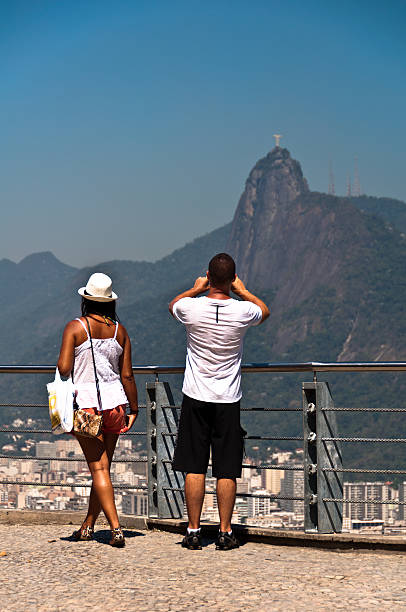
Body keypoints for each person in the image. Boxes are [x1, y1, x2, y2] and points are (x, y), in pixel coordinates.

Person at [169, 253, 269, 550]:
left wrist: (197, 288)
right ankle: (225, 532)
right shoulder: (242, 312)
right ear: (233, 278)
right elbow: (264, 310)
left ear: (209, 277)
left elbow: (173, 304)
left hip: (195, 396)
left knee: (194, 466)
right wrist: (242, 291)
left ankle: (193, 530)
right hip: (228, 398)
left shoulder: (191, 308)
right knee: (226, 468)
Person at [57, 272, 138, 547]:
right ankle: (88, 526)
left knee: (98, 470)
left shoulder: (75, 328)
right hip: (115, 405)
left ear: (85, 299)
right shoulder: (120, 331)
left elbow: (64, 368)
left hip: (87, 408)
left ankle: (116, 530)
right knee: (103, 468)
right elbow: (127, 375)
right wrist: (134, 408)